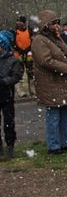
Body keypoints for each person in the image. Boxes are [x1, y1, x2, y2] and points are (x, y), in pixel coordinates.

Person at [31, 10, 67, 154]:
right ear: (46, 24)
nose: (57, 25)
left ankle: (66, 142)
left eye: (58, 23)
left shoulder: (55, 38)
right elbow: (46, 61)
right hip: (51, 83)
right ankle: (53, 145)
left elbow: (62, 54)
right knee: (53, 116)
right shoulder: (39, 40)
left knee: (65, 114)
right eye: (54, 23)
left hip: (62, 82)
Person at [0, 30, 24, 159]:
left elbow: (16, 75)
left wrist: (4, 81)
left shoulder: (13, 60)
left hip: (6, 95)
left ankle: (10, 146)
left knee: (8, 122)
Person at [12, 15, 35, 97]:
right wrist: (19, 51)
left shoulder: (30, 30)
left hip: (29, 53)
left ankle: (33, 90)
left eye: (20, 21)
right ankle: (20, 91)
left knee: (31, 72)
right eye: (18, 21)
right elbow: (13, 43)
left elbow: (33, 41)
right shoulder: (15, 31)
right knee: (19, 72)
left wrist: (28, 50)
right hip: (19, 54)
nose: (18, 23)